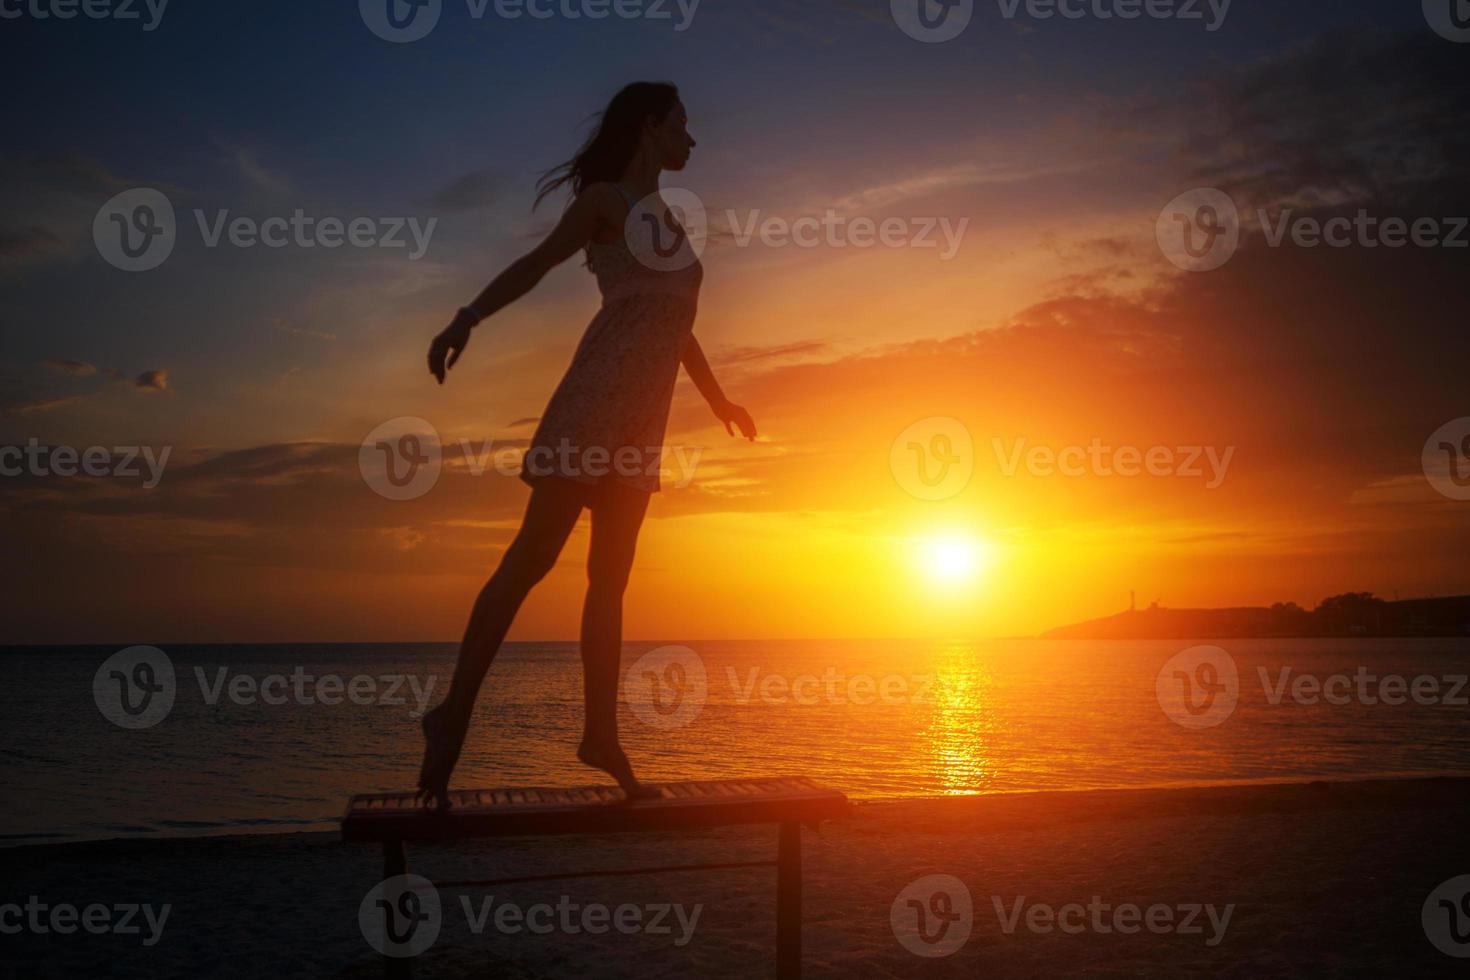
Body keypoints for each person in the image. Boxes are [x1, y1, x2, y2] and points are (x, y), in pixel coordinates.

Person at [416, 82, 757, 810]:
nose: (693, 141)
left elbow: (675, 318)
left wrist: (718, 397)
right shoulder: (607, 201)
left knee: (611, 583)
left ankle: (600, 735)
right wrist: (466, 317)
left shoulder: (667, 220)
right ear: (650, 127)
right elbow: (537, 265)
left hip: (642, 426)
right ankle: (454, 714)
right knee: (530, 562)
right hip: (593, 405)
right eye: (683, 127)